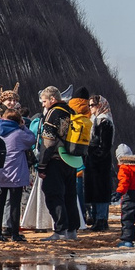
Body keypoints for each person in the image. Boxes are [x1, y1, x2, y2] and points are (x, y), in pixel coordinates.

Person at [39, 87, 85, 239]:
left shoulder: (53, 113)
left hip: (55, 159)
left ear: (52, 99)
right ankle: (72, 230)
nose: (43, 105)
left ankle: (60, 230)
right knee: (70, 195)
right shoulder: (71, 111)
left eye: (44, 101)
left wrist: (42, 165)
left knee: (53, 193)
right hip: (70, 159)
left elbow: (48, 142)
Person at [0, 92, 35, 241]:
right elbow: (32, 139)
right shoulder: (19, 133)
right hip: (16, 173)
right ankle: (14, 233)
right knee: (14, 204)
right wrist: (23, 127)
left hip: (0, 172)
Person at [81, 95, 118, 232]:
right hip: (93, 161)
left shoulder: (105, 122)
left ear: (100, 105)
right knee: (95, 190)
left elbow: (105, 145)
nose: (90, 108)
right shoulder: (95, 120)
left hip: (100, 162)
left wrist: (95, 155)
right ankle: (97, 218)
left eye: (92, 105)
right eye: (89, 105)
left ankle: (101, 219)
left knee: (100, 190)